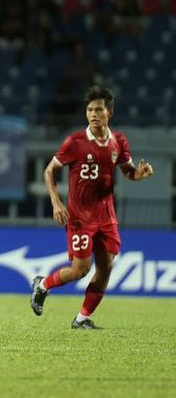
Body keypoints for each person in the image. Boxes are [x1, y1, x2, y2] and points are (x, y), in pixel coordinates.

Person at [31, 85, 154, 328]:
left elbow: (128, 172)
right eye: (89, 110)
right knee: (80, 270)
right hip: (80, 218)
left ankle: (82, 318)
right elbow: (49, 171)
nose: (93, 114)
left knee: (106, 267)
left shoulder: (119, 141)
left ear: (110, 112)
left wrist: (138, 174)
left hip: (106, 217)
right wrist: (56, 203)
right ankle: (43, 285)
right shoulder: (74, 142)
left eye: (98, 109)